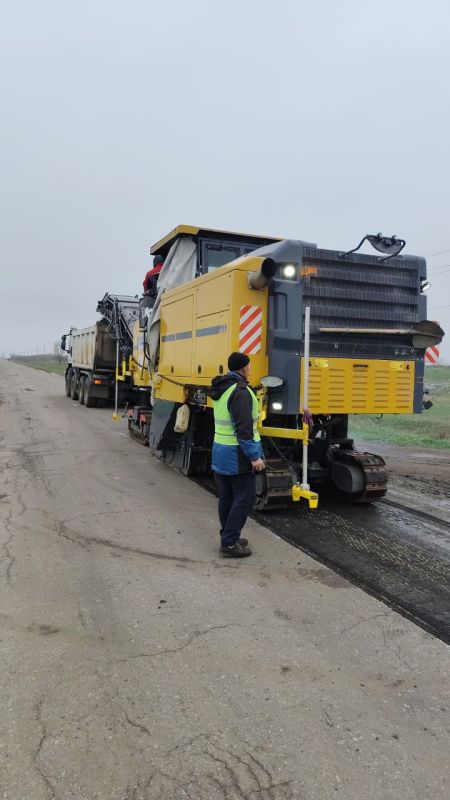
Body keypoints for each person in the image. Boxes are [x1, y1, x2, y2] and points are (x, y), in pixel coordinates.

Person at [210, 352, 265, 558]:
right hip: (237, 454)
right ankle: (230, 543)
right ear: (243, 368)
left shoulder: (223, 388)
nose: (250, 368)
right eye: (249, 365)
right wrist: (254, 457)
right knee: (244, 498)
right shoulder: (241, 391)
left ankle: (229, 534)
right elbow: (244, 429)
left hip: (221, 450)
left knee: (227, 496)